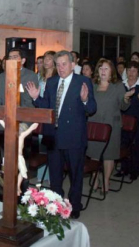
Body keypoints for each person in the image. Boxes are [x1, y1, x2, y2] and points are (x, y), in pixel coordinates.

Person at [26, 50, 96, 219]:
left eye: (64, 64)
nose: (61, 67)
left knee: (75, 174)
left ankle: (74, 205)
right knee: (55, 175)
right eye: (58, 64)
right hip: (53, 136)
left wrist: (85, 99)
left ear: (73, 64)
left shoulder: (83, 81)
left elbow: (92, 108)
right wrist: (36, 98)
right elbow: (47, 106)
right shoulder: (51, 81)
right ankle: (56, 204)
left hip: (73, 137)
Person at [87, 58, 131, 192]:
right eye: (100, 68)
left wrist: (126, 98)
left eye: (106, 68)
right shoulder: (92, 85)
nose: (103, 71)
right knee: (93, 153)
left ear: (111, 71)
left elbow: (123, 107)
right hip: (94, 125)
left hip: (111, 125)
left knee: (109, 155)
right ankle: (95, 178)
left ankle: (106, 180)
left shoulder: (117, 86)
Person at [36, 50, 57, 184]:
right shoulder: (39, 76)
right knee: (41, 144)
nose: (46, 61)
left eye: (49, 59)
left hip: (50, 112)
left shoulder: (56, 78)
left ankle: (51, 176)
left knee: (51, 145)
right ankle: (41, 174)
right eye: (45, 59)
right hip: (39, 111)